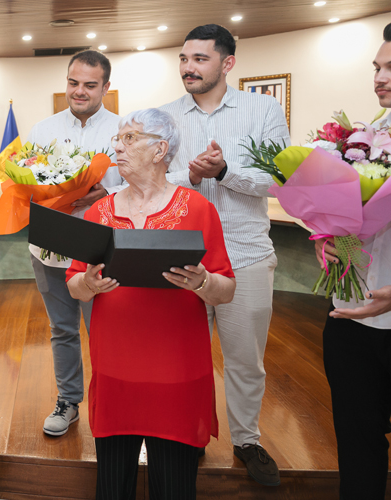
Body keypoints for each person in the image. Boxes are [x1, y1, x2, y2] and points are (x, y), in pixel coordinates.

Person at [66, 108, 236, 500]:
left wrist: (202, 281)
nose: (117, 148)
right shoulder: (98, 212)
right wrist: (88, 283)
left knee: (174, 487)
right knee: (112, 487)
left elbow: (226, 289)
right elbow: (74, 286)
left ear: (160, 150)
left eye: (129, 138)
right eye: (118, 139)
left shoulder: (197, 208)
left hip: (176, 373)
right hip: (115, 370)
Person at [158, 24, 290, 486]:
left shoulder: (263, 109)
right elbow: (153, 182)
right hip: (182, 257)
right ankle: (190, 435)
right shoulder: (165, 117)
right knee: (183, 359)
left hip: (246, 253)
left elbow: (278, 180)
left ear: (227, 63)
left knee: (245, 360)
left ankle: (247, 440)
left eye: (200, 59)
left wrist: (226, 171)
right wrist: (193, 177)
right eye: (183, 58)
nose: (188, 67)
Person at [25, 49, 122, 437]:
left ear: (106, 87)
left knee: (107, 331)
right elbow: (26, 182)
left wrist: (106, 192)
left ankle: (113, 402)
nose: (79, 91)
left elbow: (140, 185)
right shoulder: (42, 130)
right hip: (49, 245)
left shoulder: (123, 130)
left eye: (89, 85)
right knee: (62, 330)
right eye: (73, 83)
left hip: (101, 248)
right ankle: (68, 401)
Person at [315, 22, 391, 500]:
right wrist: (328, 243)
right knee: (358, 444)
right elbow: (343, 220)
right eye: (377, 67)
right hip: (350, 318)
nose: (380, 78)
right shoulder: (361, 141)